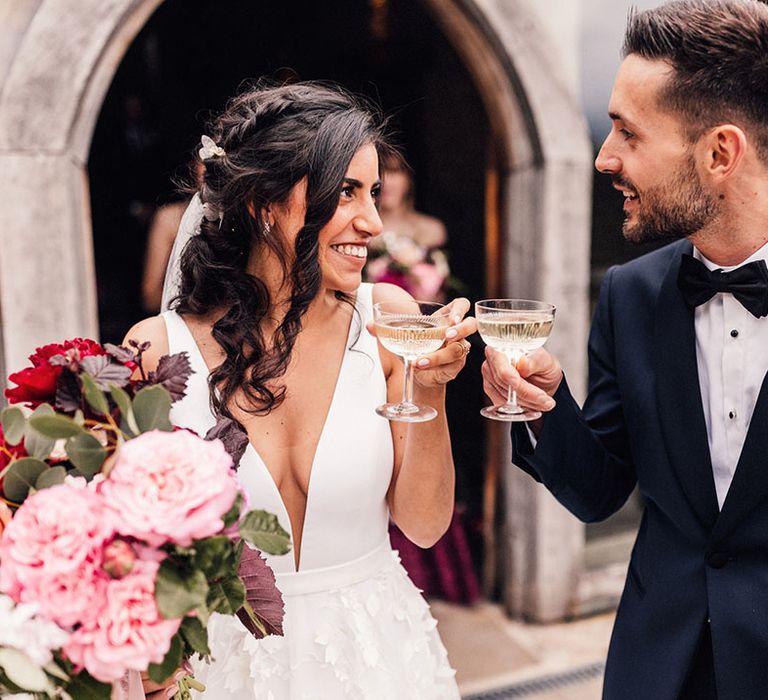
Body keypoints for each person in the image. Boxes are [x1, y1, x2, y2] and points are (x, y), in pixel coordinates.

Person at [124, 82, 474, 698]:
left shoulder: (387, 318)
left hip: (378, 661)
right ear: (264, 203)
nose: (372, 221)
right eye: (346, 193)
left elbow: (423, 525)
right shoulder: (155, 350)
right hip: (223, 668)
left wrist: (434, 388)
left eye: (373, 193)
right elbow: (137, 553)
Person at [482, 1, 768, 698]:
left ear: (719, 154)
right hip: (658, 669)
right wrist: (546, 410)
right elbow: (599, 492)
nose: (604, 157)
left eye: (627, 132)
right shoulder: (629, 294)